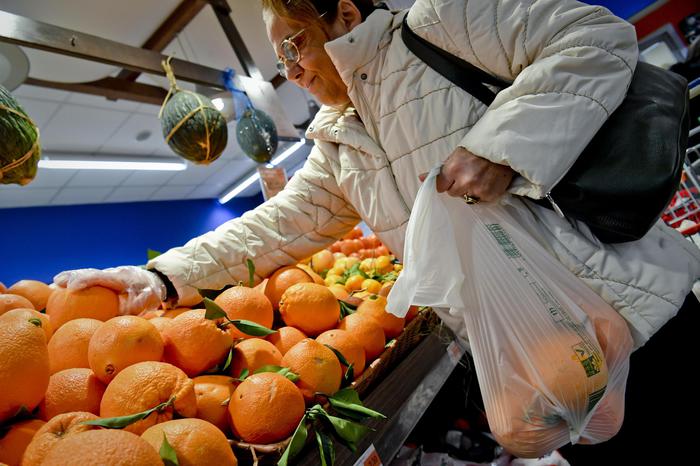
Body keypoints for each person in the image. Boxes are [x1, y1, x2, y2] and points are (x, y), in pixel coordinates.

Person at [55, 0, 700, 463]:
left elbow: (595, 36)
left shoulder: (439, 24)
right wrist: (160, 276)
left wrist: (504, 148)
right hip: (544, 360)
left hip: (636, 313)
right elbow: (274, 228)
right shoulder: (337, 141)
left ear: (342, 15)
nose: (290, 70)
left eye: (293, 45)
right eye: (280, 57)